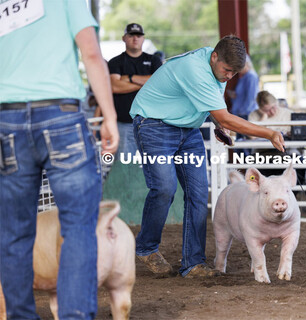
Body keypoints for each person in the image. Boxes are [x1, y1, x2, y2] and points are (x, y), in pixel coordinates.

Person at [0, 0, 119, 319]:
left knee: (13, 233)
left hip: (7, 119)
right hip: (61, 116)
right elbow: (91, 54)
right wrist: (108, 115)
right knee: (78, 227)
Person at [129, 35, 285, 278]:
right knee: (164, 188)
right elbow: (224, 116)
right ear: (214, 57)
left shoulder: (217, 68)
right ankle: (146, 247)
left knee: (199, 193)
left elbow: (210, 107)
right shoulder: (194, 68)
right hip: (153, 124)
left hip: (188, 129)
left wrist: (217, 123)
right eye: (227, 70)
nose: (229, 77)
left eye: (234, 73)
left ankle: (193, 263)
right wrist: (268, 132)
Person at [108, 23, 162, 156]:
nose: (135, 38)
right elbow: (114, 86)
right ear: (124, 38)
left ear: (143, 39)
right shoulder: (115, 62)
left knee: (154, 165)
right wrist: (146, 83)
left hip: (151, 122)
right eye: (131, 35)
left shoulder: (154, 60)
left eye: (139, 35)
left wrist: (130, 78)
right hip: (124, 124)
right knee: (126, 167)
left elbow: (160, 84)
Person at [227, 55, 259, 120]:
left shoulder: (251, 76)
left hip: (246, 115)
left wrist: (241, 113)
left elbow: (251, 98)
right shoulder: (242, 77)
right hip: (239, 114)